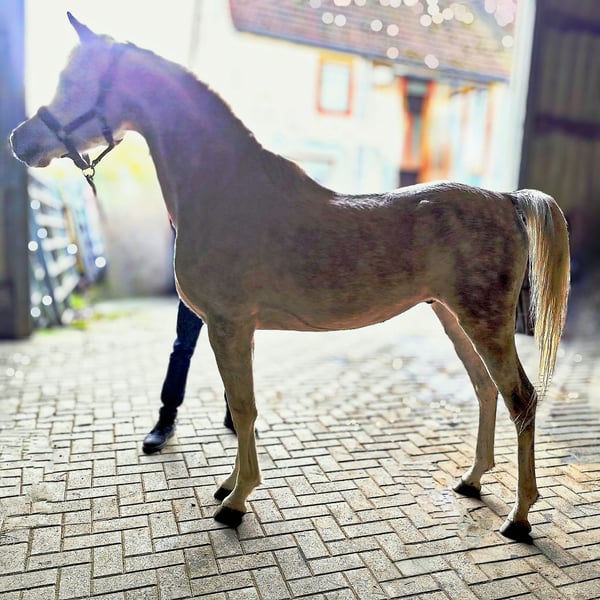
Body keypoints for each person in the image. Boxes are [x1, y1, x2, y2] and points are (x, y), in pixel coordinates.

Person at [142, 300, 235, 453]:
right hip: (193, 293)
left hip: (229, 295)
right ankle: (166, 420)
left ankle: (235, 415)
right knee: (182, 350)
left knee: (234, 352)